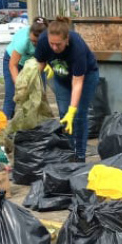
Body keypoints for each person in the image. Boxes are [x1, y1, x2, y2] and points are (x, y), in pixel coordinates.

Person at [34, 16, 100, 163]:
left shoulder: (77, 48)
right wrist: (33, 87)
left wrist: (72, 110)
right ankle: (70, 152)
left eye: (58, 44)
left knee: (78, 114)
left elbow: (77, 83)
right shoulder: (43, 40)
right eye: (52, 44)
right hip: (62, 77)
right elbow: (40, 64)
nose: (54, 48)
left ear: (67, 39)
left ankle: (80, 155)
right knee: (64, 114)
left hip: (86, 77)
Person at [2, 17, 47, 119]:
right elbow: (13, 65)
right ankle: (6, 121)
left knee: (39, 94)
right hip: (14, 62)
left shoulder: (48, 40)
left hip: (34, 64)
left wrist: (33, 79)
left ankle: (37, 122)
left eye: (38, 42)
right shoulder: (23, 40)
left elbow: (43, 62)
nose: (35, 44)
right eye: (33, 41)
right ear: (30, 33)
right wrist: (20, 85)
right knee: (12, 94)